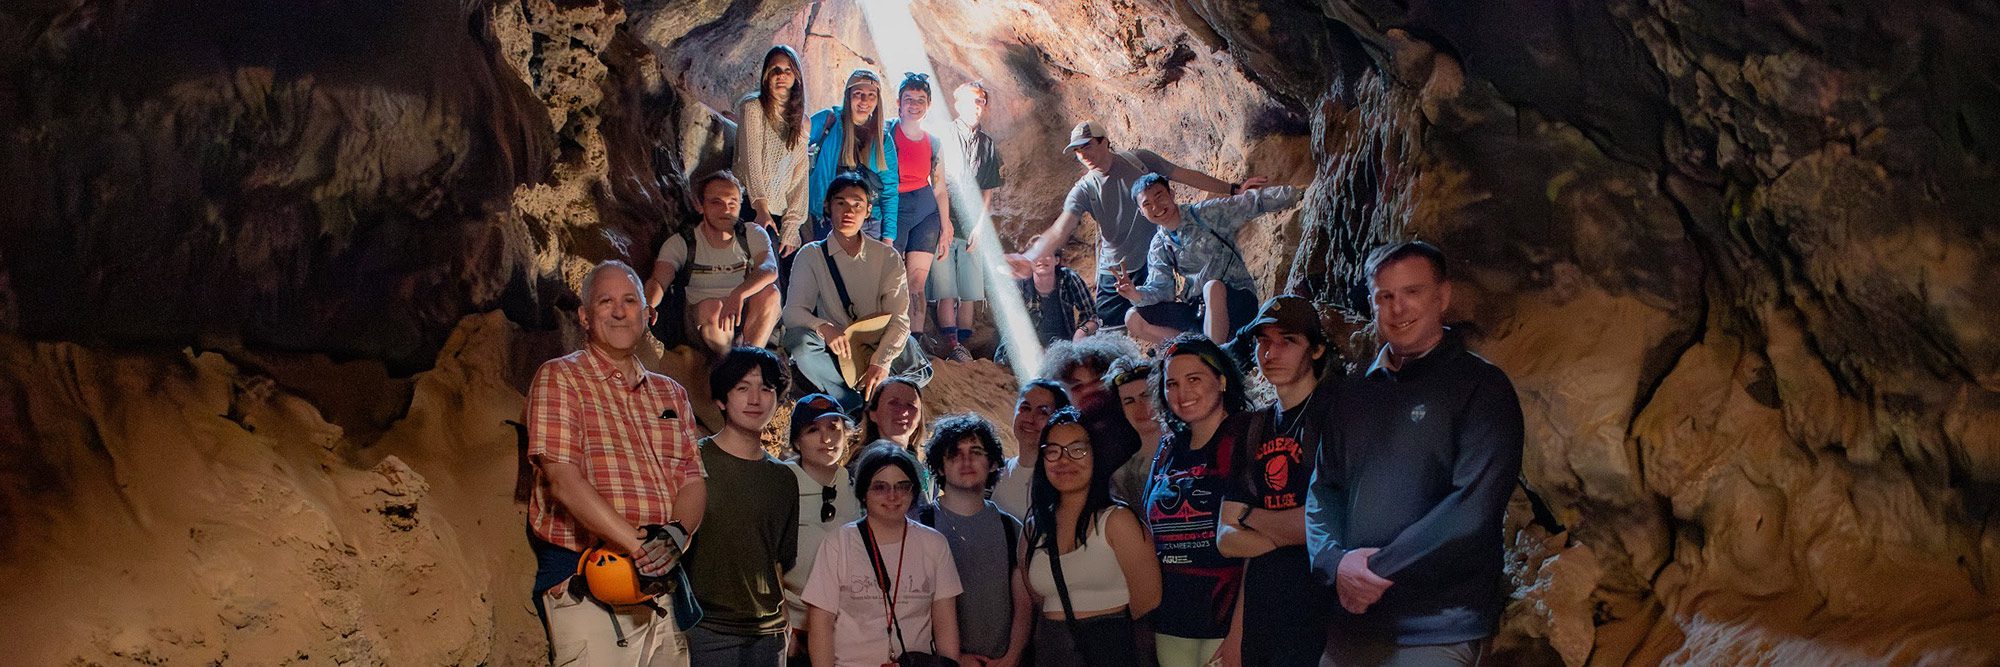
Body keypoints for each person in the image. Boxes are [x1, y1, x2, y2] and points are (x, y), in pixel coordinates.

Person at [1306, 241, 1523, 666]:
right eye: (1385, 296)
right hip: (1351, 629)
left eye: (1412, 292)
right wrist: (1334, 564)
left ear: (1442, 297)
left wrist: (1374, 570)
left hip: (1437, 626)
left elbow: (1472, 506)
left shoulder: (1481, 387)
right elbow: (1322, 493)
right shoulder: (1352, 397)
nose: (1398, 307)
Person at [526, 260, 709, 666]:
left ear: (648, 314)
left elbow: (692, 478)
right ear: (585, 316)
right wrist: (641, 546)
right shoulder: (560, 378)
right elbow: (562, 479)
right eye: (605, 301)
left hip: (661, 590)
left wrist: (677, 533)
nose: (620, 310)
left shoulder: (671, 394)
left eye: (630, 300)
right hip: (592, 588)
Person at [1007, 120, 1268, 328]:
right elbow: (1060, 228)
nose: (1083, 153)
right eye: (1077, 150)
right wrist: (1030, 257)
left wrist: (1233, 189)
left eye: (1087, 145)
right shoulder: (1084, 190)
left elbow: (1184, 175)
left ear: (1105, 142)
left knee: (1157, 313)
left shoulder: (1140, 161)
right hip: (1114, 269)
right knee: (1109, 326)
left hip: (1151, 261)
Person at [1216, 296, 1334, 666]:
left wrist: (1250, 517)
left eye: (1287, 341)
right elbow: (1225, 538)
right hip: (1264, 616)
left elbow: (1322, 523)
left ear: (1315, 350)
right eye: (1263, 342)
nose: (1272, 352)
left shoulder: (1336, 416)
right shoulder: (1255, 427)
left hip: (1323, 616)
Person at [683, 348, 800, 666]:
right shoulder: (694, 461)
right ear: (722, 399)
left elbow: (776, 561)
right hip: (707, 630)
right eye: (742, 388)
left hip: (769, 635)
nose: (755, 399)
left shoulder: (783, 478)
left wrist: (785, 624)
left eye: (766, 389)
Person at [1143, 334, 1252, 667]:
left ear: (1221, 380)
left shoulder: (1245, 440)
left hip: (1224, 622)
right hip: (1172, 621)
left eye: (1194, 379)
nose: (1182, 393)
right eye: (1171, 383)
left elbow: (1254, 553)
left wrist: (1240, 633)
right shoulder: (1166, 450)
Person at [1022, 407, 1161, 667]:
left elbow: (1149, 598)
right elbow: (1038, 599)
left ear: (1096, 455)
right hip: (1053, 652)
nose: (1064, 461)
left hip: (1110, 652)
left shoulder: (1117, 521)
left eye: (1078, 450)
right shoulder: (1033, 528)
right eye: (1053, 451)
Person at [784, 172, 932, 410]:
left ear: (868, 210)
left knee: (912, 359)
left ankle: (880, 391)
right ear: (828, 206)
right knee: (798, 341)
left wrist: (881, 362)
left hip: (878, 343)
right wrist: (824, 328)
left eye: (857, 205)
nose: (848, 212)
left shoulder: (887, 257)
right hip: (837, 346)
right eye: (841, 203)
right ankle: (851, 402)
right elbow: (792, 312)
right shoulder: (811, 255)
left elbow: (899, 319)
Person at [803, 448, 963, 667]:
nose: (892, 496)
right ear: (863, 492)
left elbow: (945, 625)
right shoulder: (839, 543)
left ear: (913, 491)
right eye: (880, 487)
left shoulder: (934, 544)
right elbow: (821, 623)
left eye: (902, 487)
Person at [1118, 174, 1301, 346]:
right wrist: (1136, 294)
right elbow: (1163, 291)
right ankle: (1193, 348)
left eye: (1159, 196)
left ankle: (1215, 357)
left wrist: (1297, 194)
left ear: (1172, 194)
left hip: (1236, 300)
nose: (1156, 207)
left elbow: (1251, 203)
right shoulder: (1159, 245)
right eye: (1147, 204)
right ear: (1142, 212)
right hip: (1199, 309)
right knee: (1133, 318)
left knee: (1212, 286)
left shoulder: (1203, 214)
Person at [919, 415, 1031, 666]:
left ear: (992, 463)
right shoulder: (919, 524)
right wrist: (953, 658)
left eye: (976, 451)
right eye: (954, 453)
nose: (966, 460)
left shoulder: (1011, 528)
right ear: (939, 466)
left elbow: (1023, 604)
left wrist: (1012, 657)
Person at [646, 171, 782, 356]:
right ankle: (729, 366)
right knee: (713, 308)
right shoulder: (683, 242)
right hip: (702, 317)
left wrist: (738, 294)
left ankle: (750, 360)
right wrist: (648, 304)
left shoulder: (752, 233)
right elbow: (659, 279)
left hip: (741, 316)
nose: (726, 210)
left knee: (770, 293)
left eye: (732, 202)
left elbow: (769, 268)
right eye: (716, 202)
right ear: (700, 206)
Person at [783, 394, 862, 667]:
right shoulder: (781, 485)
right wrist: (784, 624)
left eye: (834, 428)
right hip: (793, 628)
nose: (826, 439)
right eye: (813, 430)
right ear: (796, 440)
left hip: (844, 628)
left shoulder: (856, 486)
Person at [928, 80, 1003, 360]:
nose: (976, 106)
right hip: (944, 219)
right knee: (946, 286)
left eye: (980, 101)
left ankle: (964, 347)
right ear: (957, 104)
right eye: (971, 101)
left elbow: (988, 189)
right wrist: (943, 222)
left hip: (972, 224)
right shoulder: (943, 135)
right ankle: (950, 344)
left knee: (969, 288)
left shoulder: (987, 144)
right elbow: (937, 182)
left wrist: (980, 226)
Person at [884, 73, 955, 352]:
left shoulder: (934, 143)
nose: (914, 105)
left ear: (928, 104)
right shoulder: (887, 132)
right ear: (899, 103)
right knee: (889, 276)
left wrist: (945, 224)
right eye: (909, 99)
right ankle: (888, 334)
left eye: (920, 100)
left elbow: (939, 188)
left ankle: (915, 340)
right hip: (893, 207)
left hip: (925, 211)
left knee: (917, 280)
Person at [807, 69, 898, 242]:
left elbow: (890, 190)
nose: (865, 100)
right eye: (859, 93)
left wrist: (888, 237)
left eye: (871, 95)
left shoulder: (883, 140)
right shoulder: (829, 121)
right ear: (848, 96)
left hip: (867, 223)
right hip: (827, 217)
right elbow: (794, 139)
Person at [735, 45, 810, 256]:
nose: (781, 76)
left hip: (780, 213)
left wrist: (792, 226)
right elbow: (750, 162)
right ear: (766, 75)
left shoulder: (802, 122)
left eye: (787, 71)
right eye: (775, 70)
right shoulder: (753, 108)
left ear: (796, 76)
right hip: (750, 204)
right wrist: (760, 208)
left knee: (782, 280)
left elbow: (799, 178)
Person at [988, 378, 1071, 525]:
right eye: (1025, 408)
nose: (1030, 419)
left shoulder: (1061, 480)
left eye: (1043, 412)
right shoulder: (996, 474)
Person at [1102, 355, 1164, 506]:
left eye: (1146, 395)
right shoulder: (1122, 477)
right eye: (1129, 401)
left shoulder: (1193, 450)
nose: (1140, 406)